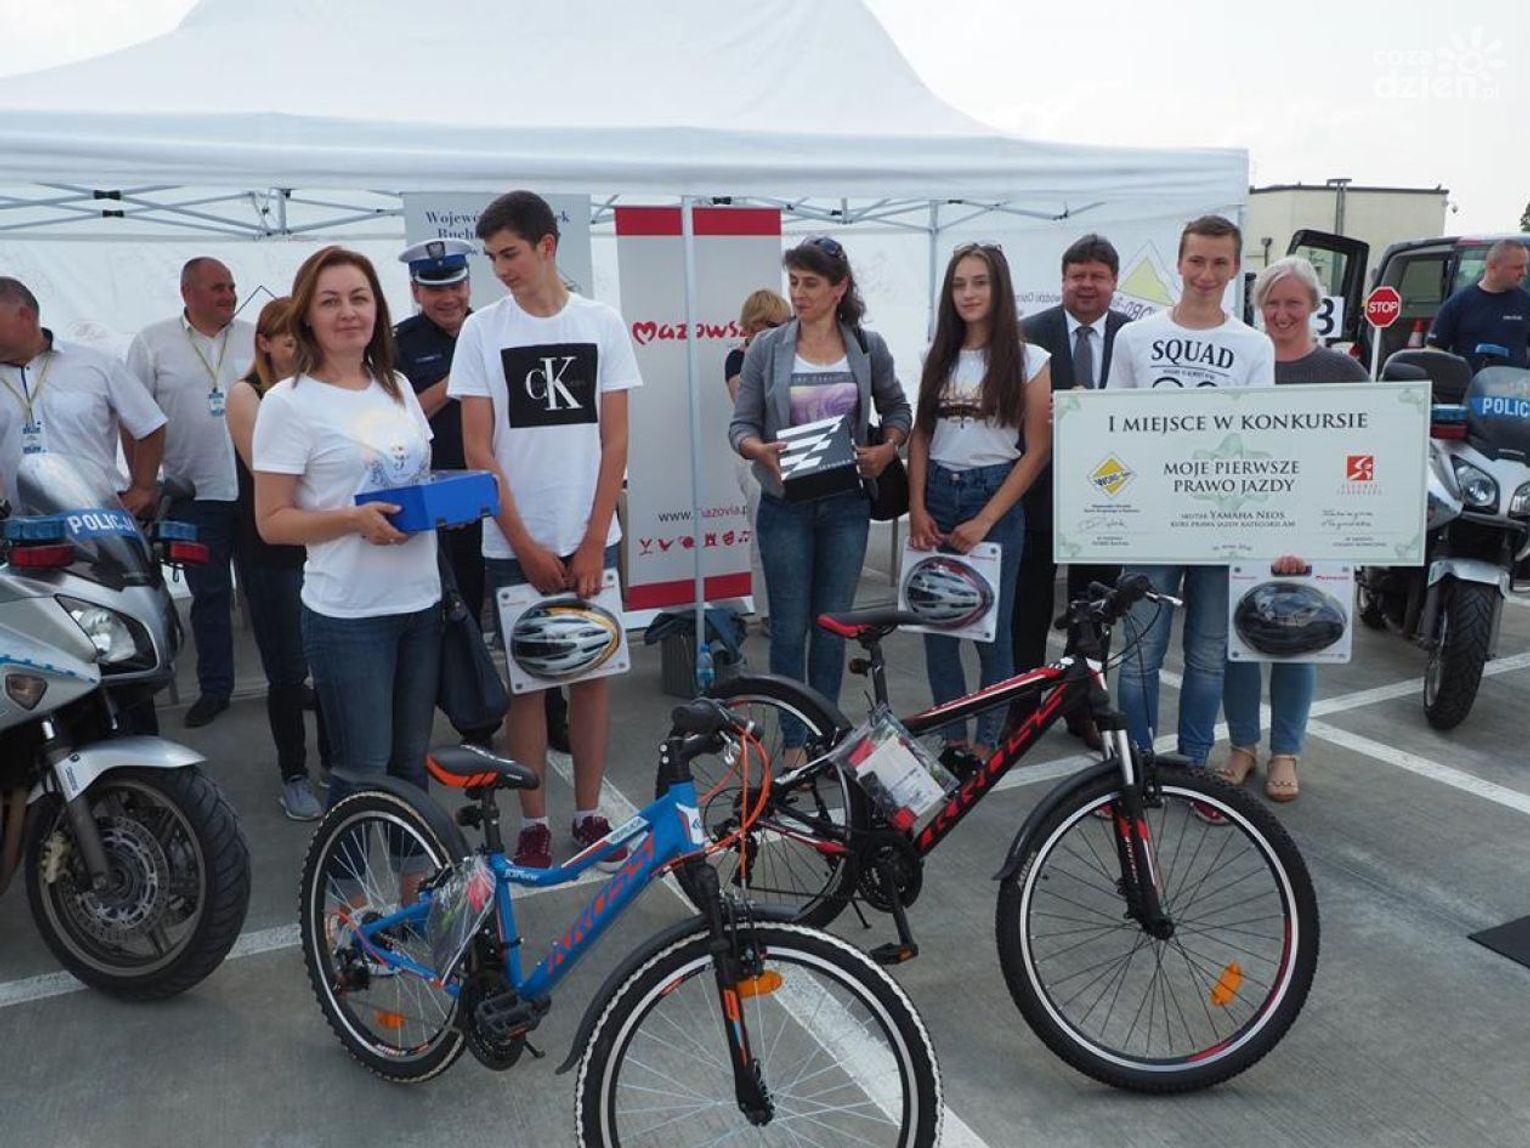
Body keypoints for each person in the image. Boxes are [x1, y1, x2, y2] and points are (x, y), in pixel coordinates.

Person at [449, 190, 642, 870]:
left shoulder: (602, 323)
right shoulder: (481, 332)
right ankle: (532, 819)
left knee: (591, 676)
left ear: (547, 246)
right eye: (492, 257)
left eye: (510, 254)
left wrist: (592, 539)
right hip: (513, 543)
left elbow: (615, 441)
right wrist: (525, 544)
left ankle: (589, 813)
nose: (500, 269)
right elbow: (478, 449)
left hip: (590, 538)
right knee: (527, 686)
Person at [252, 247, 440, 811]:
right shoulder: (288, 403)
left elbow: (416, 481)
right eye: (330, 301)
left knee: (411, 766)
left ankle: (415, 872)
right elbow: (271, 522)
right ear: (306, 316)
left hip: (421, 603)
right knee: (362, 773)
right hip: (349, 616)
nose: (348, 312)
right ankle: (345, 874)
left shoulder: (397, 385)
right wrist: (352, 520)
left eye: (359, 298)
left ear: (378, 309)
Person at [1105, 215, 1275, 770]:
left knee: (1207, 656)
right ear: (1179, 262)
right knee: (1139, 655)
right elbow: (1111, 425)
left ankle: (1195, 767)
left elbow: (1260, 436)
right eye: (1197, 260)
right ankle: (1136, 770)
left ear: (1236, 268)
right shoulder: (1134, 337)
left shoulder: (1253, 346)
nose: (1206, 274)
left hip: (1221, 523)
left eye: (1219, 262)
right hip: (1150, 520)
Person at [730, 237, 912, 755]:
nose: (799, 293)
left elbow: (899, 409)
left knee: (832, 628)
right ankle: (794, 740)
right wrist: (759, 451)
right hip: (785, 506)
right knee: (788, 631)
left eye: (811, 283)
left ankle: (825, 735)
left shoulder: (867, 346)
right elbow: (740, 426)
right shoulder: (767, 348)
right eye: (794, 282)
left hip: (847, 507)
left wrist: (887, 450)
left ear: (839, 288)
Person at [1218, 256, 1367, 803]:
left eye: (1293, 303)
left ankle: (1286, 752)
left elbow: (1363, 451)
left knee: (1302, 637)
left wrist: (1314, 536)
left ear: (1314, 307)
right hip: (1245, 520)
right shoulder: (1242, 363)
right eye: (1272, 303)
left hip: (1317, 527)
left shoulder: (1343, 372)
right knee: (1241, 639)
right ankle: (1242, 745)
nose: (1282, 313)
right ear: (1259, 308)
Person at [907, 243, 1050, 771]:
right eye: (959, 284)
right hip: (938, 493)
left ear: (999, 288)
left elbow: (1037, 450)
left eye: (979, 282)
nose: (968, 294)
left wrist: (988, 518)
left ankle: (989, 741)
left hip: (994, 494)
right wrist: (916, 506)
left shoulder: (1031, 359)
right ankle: (954, 740)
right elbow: (921, 435)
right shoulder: (936, 354)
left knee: (991, 630)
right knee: (938, 626)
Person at [126, 257, 254, 728]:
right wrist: (143, 483)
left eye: (232, 286)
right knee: (210, 594)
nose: (229, 295)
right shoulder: (152, 343)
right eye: (218, 287)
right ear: (188, 292)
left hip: (258, 490)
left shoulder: (255, 337)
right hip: (194, 493)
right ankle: (215, 688)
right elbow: (133, 416)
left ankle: (291, 678)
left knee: (273, 593)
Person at [1013, 234, 1130, 749]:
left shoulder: (1133, 337)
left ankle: (1081, 707)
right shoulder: (1027, 334)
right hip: (1039, 490)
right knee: (1029, 608)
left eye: (1097, 276)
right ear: (1062, 281)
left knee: (1094, 612)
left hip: (1109, 496)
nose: (1086, 285)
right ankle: (1021, 708)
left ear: (1114, 282)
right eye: (1077, 275)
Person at [225, 297, 330, 820]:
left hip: (324, 544)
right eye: (289, 340)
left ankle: (335, 763)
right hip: (272, 551)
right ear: (264, 343)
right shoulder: (247, 394)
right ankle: (294, 773)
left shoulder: (323, 388)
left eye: (305, 338)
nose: (300, 349)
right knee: (288, 671)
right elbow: (268, 469)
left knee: (330, 665)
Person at [0, 276, 165, 513]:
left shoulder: (97, 365)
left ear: (24, 316)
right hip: (18, 522)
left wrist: (142, 488)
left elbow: (150, 424)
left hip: (98, 518)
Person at [724, 288, 791, 630]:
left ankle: (792, 609)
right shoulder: (738, 359)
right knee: (764, 533)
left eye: (788, 323)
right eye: (776, 325)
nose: (785, 331)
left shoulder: (791, 354)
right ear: (754, 324)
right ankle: (767, 613)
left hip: (789, 450)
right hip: (753, 454)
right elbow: (747, 407)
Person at [1426, 238, 1530, 369]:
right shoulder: (1458, 303)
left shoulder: (1525, 303)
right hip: (1471, 381)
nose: (1524, 273)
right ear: (1493, 267)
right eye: (1517, 267)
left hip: (1515, 381)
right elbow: (1434, 350)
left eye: (1525, 266)